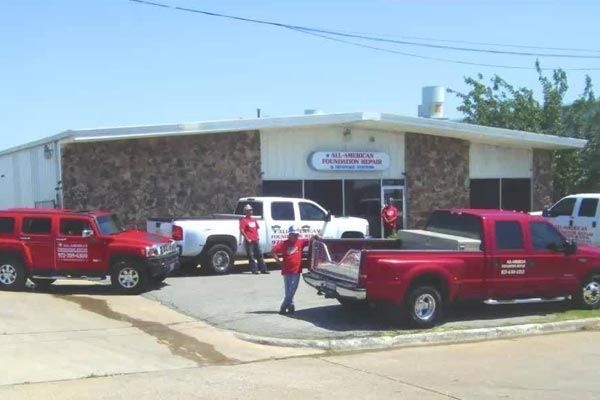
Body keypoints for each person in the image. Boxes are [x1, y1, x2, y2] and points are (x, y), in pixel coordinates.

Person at [271, 226, 319, 315]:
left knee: (293, 287)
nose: (295, 236)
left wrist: (316, 236)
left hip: (296, 270)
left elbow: (311, 240)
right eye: (293, 235)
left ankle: (284, 305)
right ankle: (291, 306)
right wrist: (279, 262)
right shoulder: (283, 243)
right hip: (286, 270)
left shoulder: (300, 242)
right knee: (288, 289)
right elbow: (273, 251)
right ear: (289, 235)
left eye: (296, 235)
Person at [239, 204, 268, 274]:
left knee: (260, 255)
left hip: (256, 240)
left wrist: (257, 237)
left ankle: (263, 269)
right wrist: (247, 238)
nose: (250, 212)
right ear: (245, 212)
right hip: (249, 241)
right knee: (251, 256)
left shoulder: (254, 220)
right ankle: (254, 270)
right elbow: (242, 230)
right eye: (248, 211)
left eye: (251, 210)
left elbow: (257, 228)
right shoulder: (243, 220)